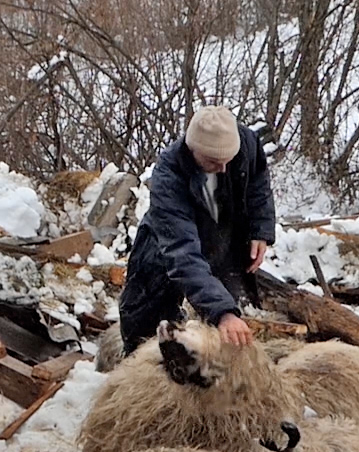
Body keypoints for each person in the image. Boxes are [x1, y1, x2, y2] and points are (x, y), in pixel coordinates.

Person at [117, 105, 276, 356]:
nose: (224, 169)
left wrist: (260, 229)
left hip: (222, 233)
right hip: (167, 241)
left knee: (223, 316)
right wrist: (223, 312)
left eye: (229, 160)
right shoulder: (168, 175)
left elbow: (258, 184)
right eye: (214, 161)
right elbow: (182, 253)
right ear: (193, 150)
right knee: (143, 324)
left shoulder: (245, 142)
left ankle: (213, 377)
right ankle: (139, 380)